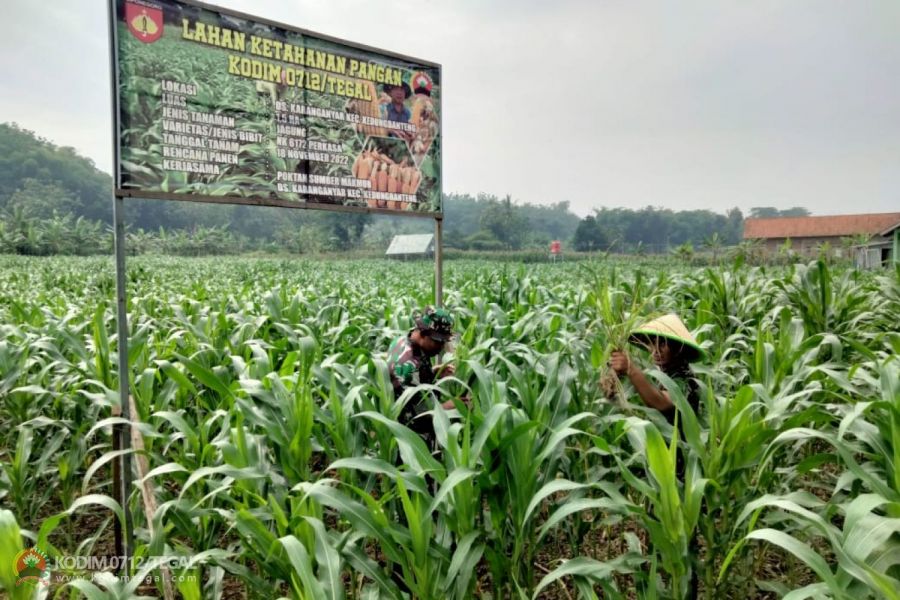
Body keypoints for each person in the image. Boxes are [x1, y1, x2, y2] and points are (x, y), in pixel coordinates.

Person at [609, 314, 705, 424]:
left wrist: (630, 369)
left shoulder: (685, 377)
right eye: (653, 343)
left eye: (663, 344)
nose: (656, 351)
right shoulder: (664, 372)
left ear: (678, 348)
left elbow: (662, 403)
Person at [386, 306, 461, 446]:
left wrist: (432, 372)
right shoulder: (410, 367)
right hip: (411, 442)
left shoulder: (402, 340)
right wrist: (454, 405)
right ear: (423, 333)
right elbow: (419, 418)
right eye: (438, 341)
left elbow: (407, 380)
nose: (441, 348)